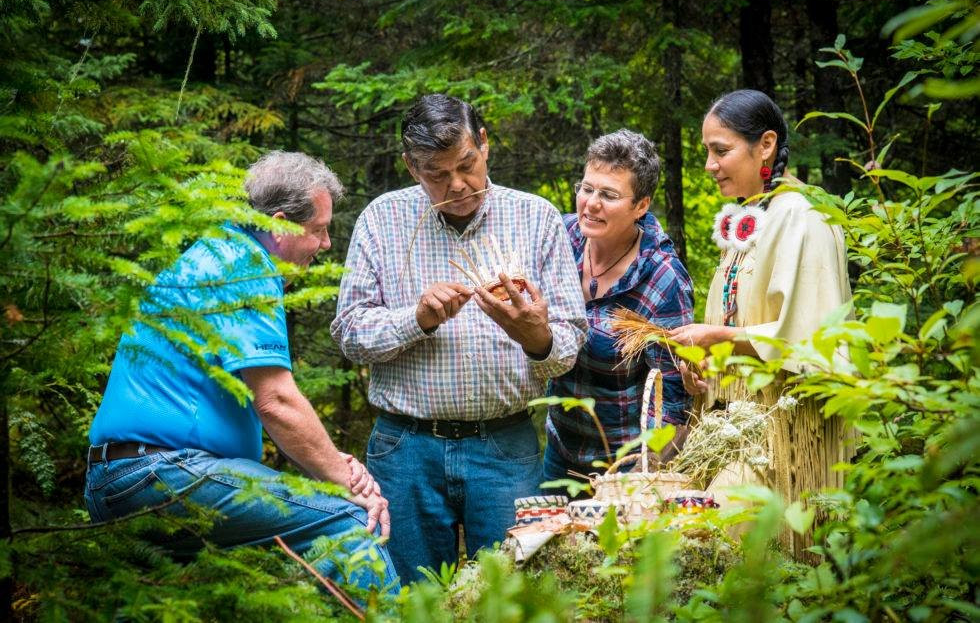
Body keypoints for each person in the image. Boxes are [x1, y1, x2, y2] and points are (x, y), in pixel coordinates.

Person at [85, 151, 397, 591]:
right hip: (162, 473)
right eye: (318, 230)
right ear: (281, 225)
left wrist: (329, 461)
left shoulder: (218, 254)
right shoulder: (243, 268)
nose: (326, 244)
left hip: (125, 476)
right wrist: (346, 481)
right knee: (347, 520)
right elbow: (277, 402)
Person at [330, 94, 587, 582]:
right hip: (405, 448)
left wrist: (536, 338)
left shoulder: (535, 218)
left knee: (513, 593)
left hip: (505, 445)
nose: (457, 185)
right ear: (411, 167)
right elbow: (350, 334)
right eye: (437, 174)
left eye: (466, 165)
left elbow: (570, 342)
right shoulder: (382, 219)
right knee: (410, 596)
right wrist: (416, 320)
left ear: (484, 144)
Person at [667, 89, 853, 556]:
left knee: (714, 544)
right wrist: (705, 371)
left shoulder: (804, 216)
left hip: (786, 433)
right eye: (707, 151)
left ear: (765, 145)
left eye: (720, 150)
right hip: (737, 429)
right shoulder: (752, 216)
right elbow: (741, 324)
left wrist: (718, 336)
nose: (709, 165)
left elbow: (814, 340)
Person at [544, 130, 694, 488]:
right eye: (587, 189)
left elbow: (672, 398)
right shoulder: (561, 238)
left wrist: (639, 477)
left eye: (609, 195)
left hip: (624, 465)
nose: (591, 204)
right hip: (560, 448)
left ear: (640, 206)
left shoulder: (663, 278)